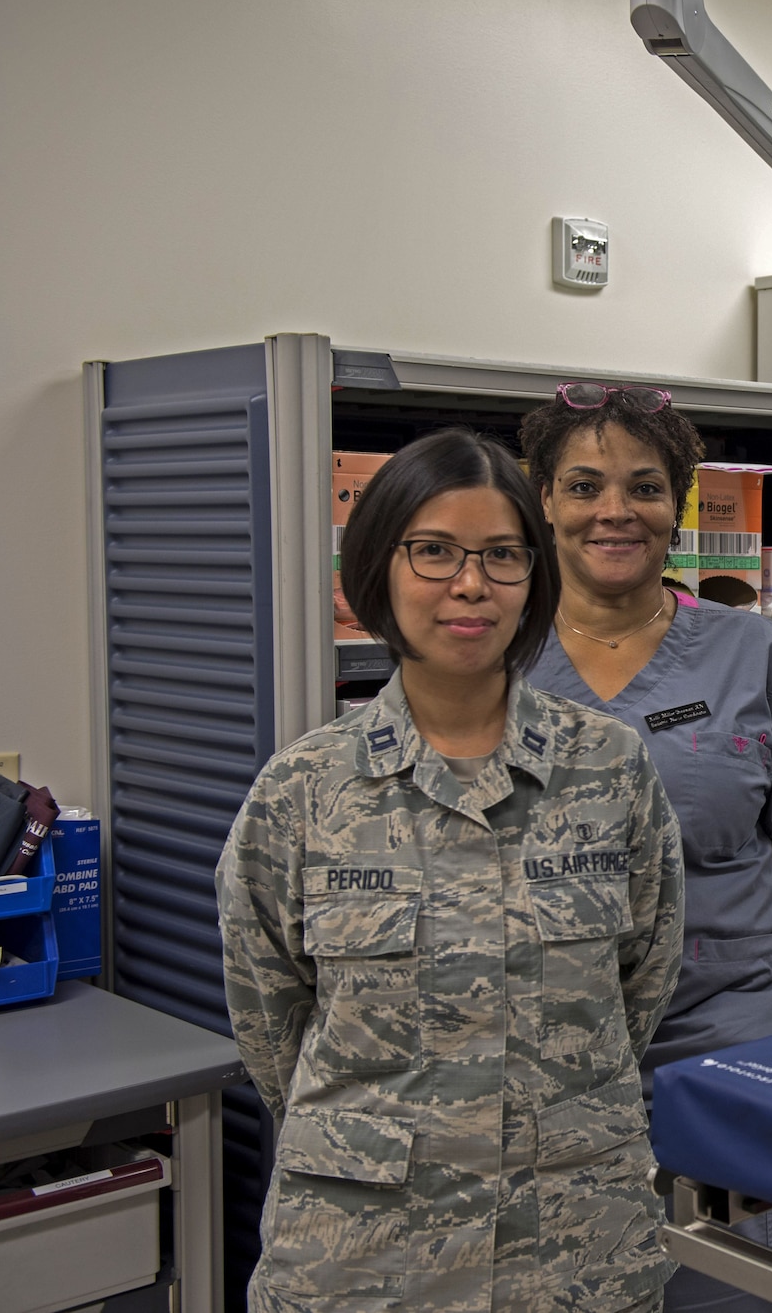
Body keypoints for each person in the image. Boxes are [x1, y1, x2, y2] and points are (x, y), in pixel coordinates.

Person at [216, 428, 684, 1313]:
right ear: (378, 568)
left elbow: (640, 985)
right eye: (433, 551)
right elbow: (272, 1021)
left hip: (570, 1245)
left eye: (502, 555)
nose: (471, 584)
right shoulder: (304, 790)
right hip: (366, 1254)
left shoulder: (609, 767)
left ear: (532, 576)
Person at [519, 383, 772, 1313]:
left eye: (645, 486)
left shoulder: (748, 651)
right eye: (584, 485)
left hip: (732, 1034)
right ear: (543, 497)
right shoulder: (496, 657)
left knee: (742, 1284)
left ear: (679, 502)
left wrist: (701, 925)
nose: (614, 510)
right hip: (552, 1050)